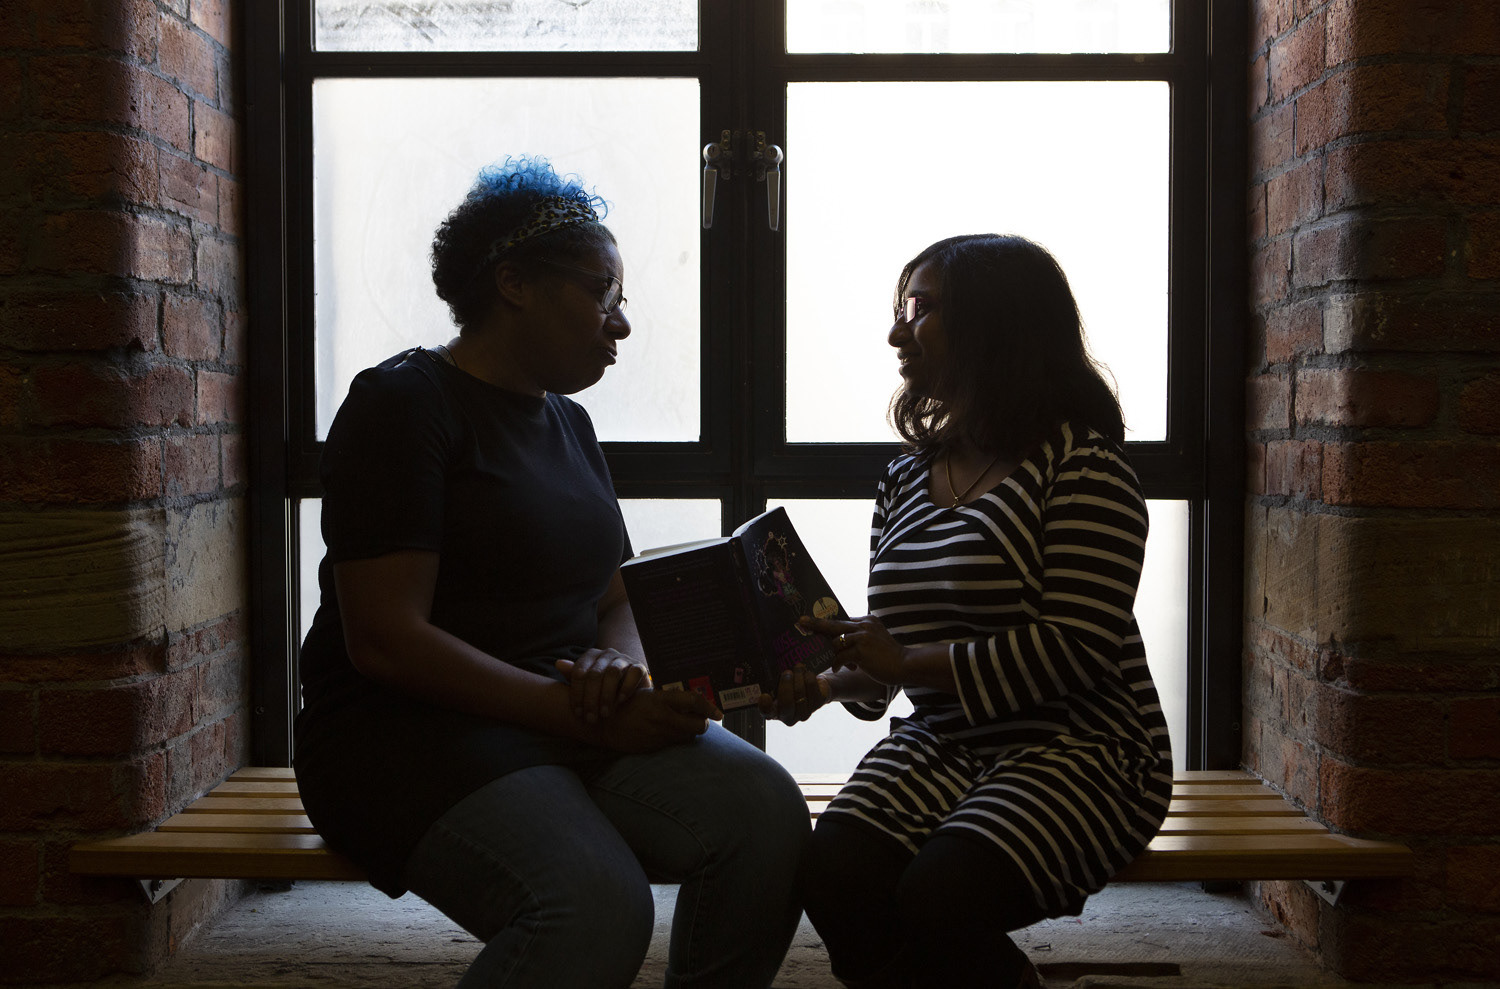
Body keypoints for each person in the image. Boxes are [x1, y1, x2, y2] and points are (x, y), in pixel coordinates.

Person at [293, 156, 809, 989]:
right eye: (603, 293)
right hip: (406, 734)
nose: (621, 324)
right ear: (514, 284)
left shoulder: (569, 422)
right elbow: (385, 640)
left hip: (564, 714)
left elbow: (615, 593)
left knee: (767, 811)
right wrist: (582, 716)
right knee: (596, 903)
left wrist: (619, 665)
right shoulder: (404, 404)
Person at [761, 234, 1173, 989]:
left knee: (942, 895)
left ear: (995, 323)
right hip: (945, 743)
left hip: (1082, 747)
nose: (896, 332)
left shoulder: (1083, 465)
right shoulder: (905, 478)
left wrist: (903, 660)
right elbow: (887, 662)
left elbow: (1075, 649)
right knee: (834, 874)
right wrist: (815, 685)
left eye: (919, 308)